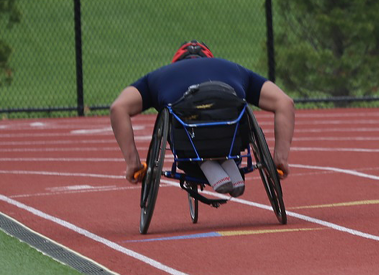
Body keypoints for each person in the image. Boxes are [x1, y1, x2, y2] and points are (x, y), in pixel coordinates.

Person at [110, 40, 294, 197]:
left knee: (178, 118)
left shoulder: (158, 76)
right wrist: (280, 159)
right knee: (230, 117)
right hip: (232, 138)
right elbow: (285, 102)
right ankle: (227, 162)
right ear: (210, 59)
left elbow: (118, 108)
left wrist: (133, 163)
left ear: (175, 63)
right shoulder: (234, 69)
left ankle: (205, 163)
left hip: (189, 142)